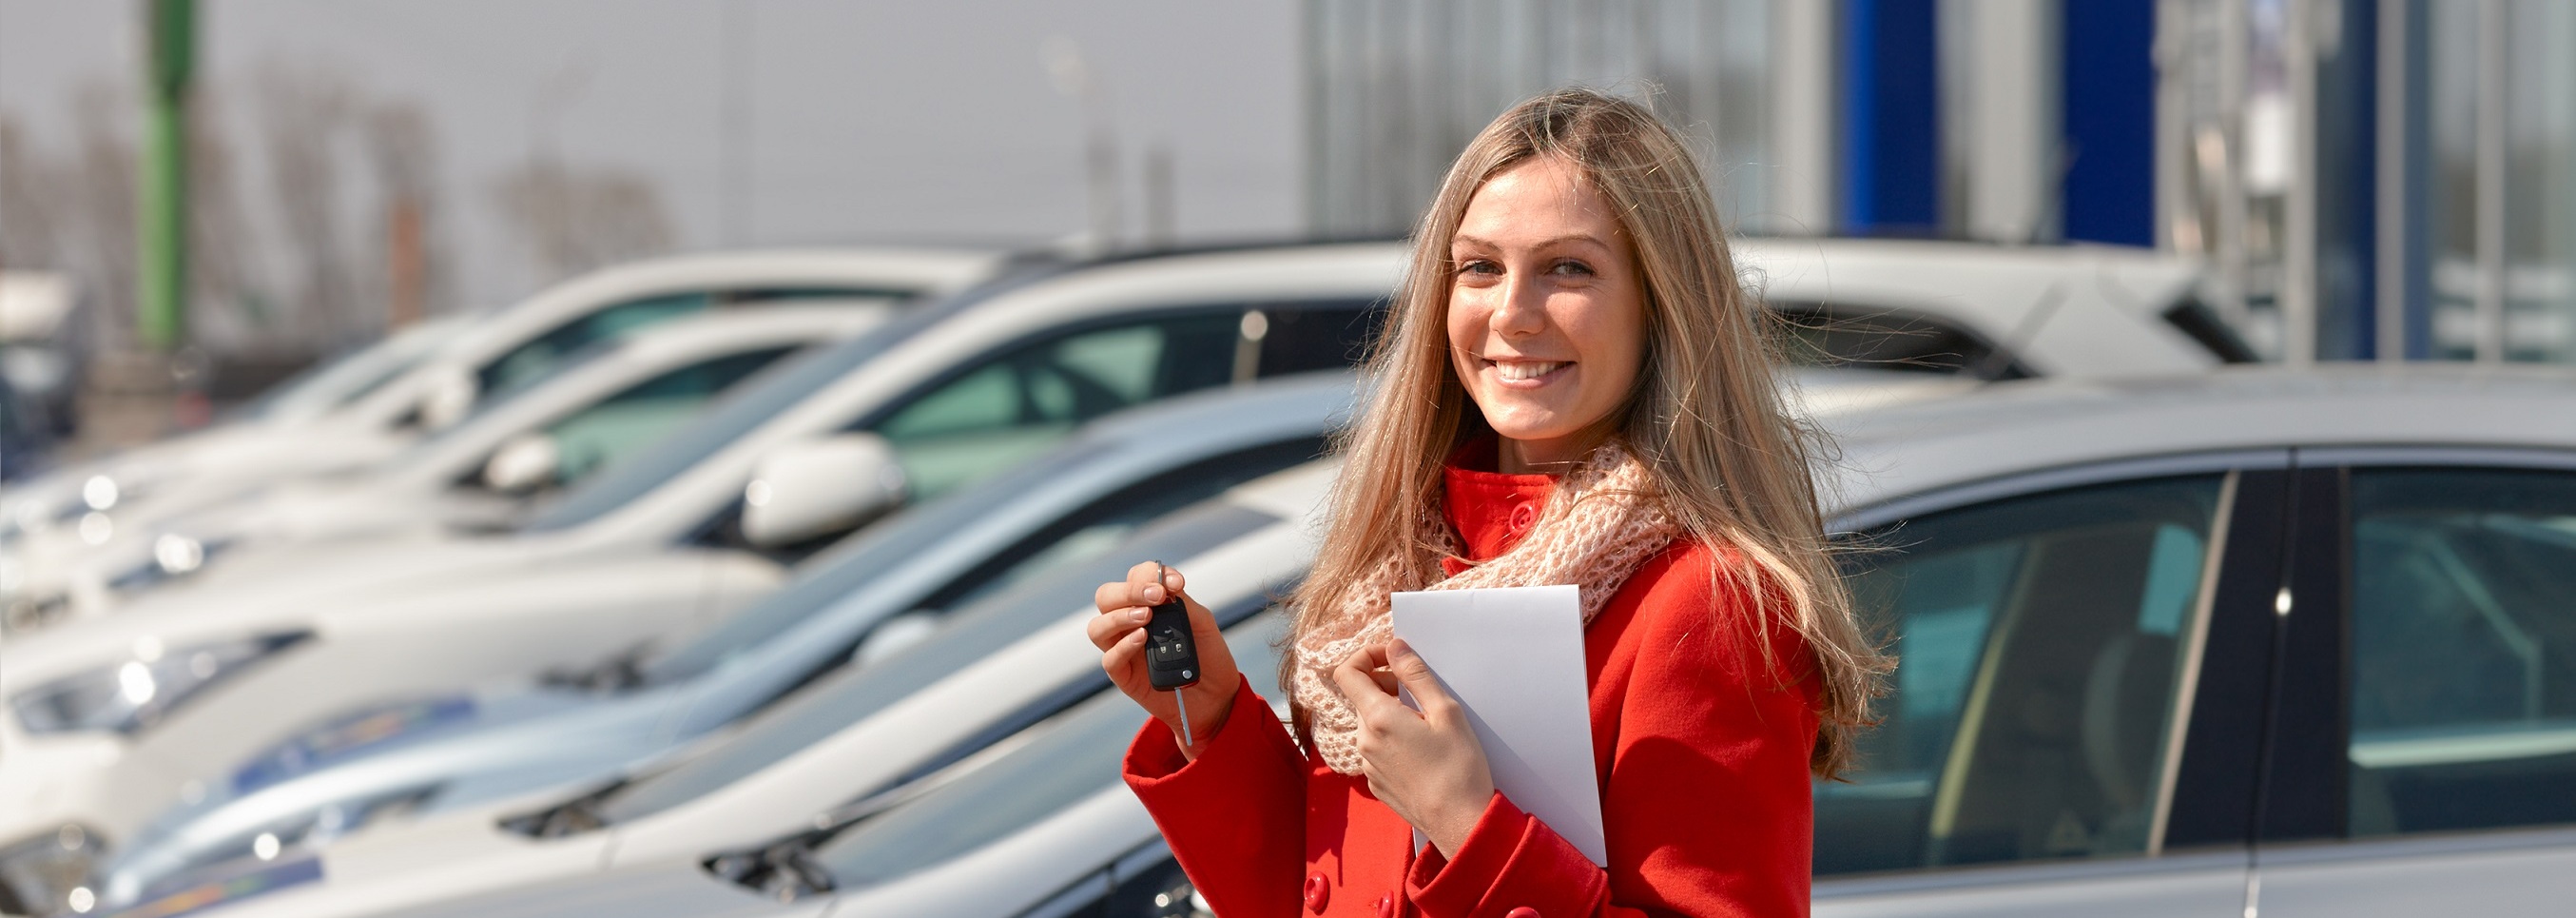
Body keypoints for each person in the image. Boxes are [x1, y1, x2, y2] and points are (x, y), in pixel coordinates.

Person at [1087, 88, 1889, 918]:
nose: (1510, 312)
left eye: (1567, 268)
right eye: (1479, 267)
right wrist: (1210, 720)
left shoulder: (1707, 599)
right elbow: (1330, 895)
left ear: (1662, 305)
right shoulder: (1401, 557)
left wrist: (1467, 826)